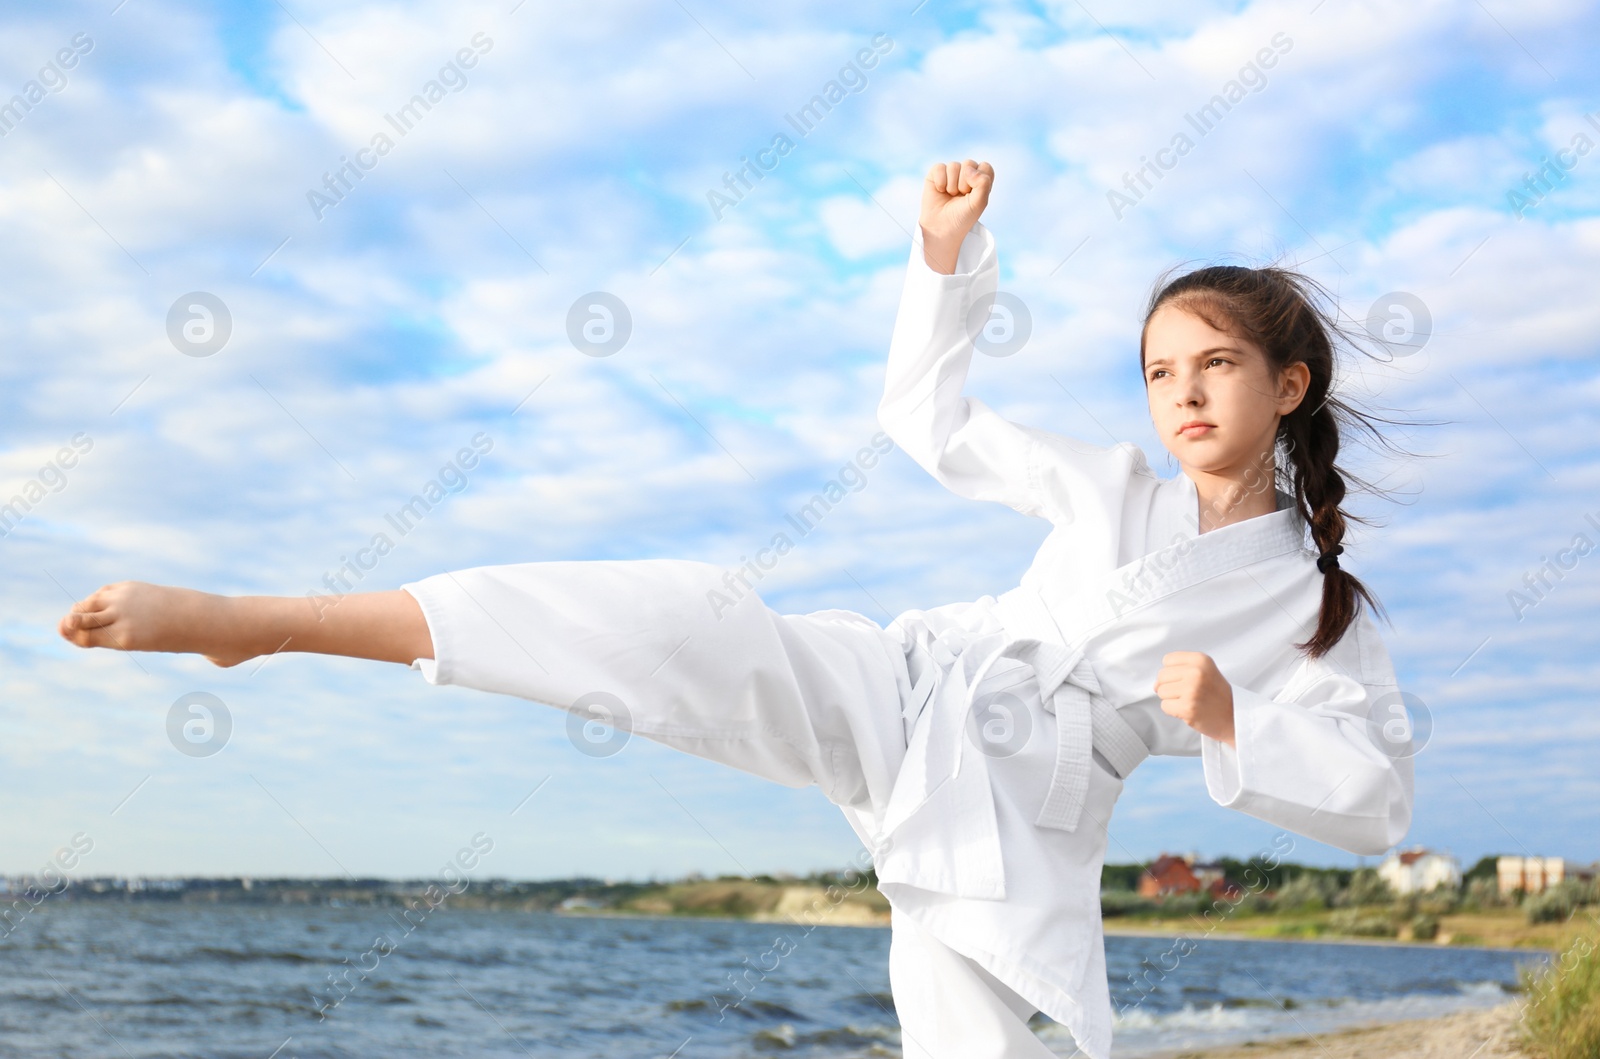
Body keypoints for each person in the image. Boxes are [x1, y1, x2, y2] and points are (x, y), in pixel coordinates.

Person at [58, 159, 1413, 1059]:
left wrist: (1235, 721)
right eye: (1161, 369)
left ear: (1289, 384)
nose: (1182, 393)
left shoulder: (1315, 603)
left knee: (992, 1036)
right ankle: (273, 620)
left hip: (1024, 807)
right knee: (672, 624)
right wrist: (945, 261)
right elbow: (929, 421)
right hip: (907, 683)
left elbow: (1379, 795)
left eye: (1216, 365)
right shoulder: (1107, 482)